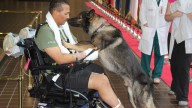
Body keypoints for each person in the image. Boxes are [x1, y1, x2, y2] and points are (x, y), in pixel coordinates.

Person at [34, 0, 124, 108]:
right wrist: (80, 55)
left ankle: (104, 102)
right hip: (58, 76)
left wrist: (88, 51)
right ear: (56, 13)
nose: (68, 17)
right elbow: (60, 59)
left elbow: (76, 45)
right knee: (102, 80)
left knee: (100, 71)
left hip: (69, 69)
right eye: (66, 13)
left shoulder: (61, 28)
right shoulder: (46, 31)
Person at [165, 0, 192, 106]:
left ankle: (183, 96)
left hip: (188, 38)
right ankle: (176, 87)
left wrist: (185, 10)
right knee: (174, 64)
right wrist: (174, 14)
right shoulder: (174, 3)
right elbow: (167, 17)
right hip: (174, 37)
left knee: (183, 66)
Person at [139, 0, 170, 83]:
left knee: (160, 53)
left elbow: (169, 15)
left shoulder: (166, 1)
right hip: (149, 28)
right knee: (146, 53)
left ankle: (156, 75)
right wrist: (145, 23)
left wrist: (165, 28)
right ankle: (145, 74)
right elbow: (142, 12)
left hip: (161, 30)